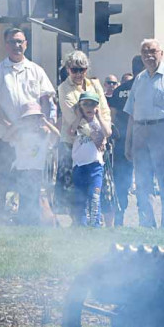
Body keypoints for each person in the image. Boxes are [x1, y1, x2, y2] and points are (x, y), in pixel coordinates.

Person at [0, 28, 55, 219]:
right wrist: (11, 128)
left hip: (31, 140)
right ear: (6, 45)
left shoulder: (37, 71)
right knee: (2, 180)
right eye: (12, 42)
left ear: (26, 44)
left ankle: (27, 220)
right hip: (4, 138)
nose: (17, 45)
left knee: (29, 181)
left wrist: (43, 125)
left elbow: (46, 100)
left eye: (20, 41)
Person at [123, 39, 164, 228]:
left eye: (152, 51)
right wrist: (129, 142)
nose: (149, 55)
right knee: (142, 180)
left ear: (161, 53)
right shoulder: (139, 79)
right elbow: (132, 113)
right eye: (144, 52)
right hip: (140, 131)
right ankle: (147, 224)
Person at [57, 50, 111, 224]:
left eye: (83, 69)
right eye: (75, 69)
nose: (79, 73)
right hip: (73, 144)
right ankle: (78, 223)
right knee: (74, 191)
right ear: (67, 69)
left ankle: (98, 223)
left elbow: (104, 109)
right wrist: (95, 136)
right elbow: (73, 116)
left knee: (100, 189)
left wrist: (104, 135)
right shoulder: (63, 88)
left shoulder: (95, 84)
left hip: (98, 145)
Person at [8, 101, 59, 225]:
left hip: (36, 170)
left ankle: (34, 222)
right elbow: (6, 136)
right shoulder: (20, 135)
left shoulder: (43, 135)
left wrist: (46, 122)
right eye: (29, 118)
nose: (32, 121)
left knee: (34, 196)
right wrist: (18, 125)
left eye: (35, 118)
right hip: (21, 170)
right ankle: (23, 221)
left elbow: (57, 134)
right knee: (24, 197)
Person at [67, 91, 109, 226]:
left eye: (92, 104)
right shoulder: (79, 122)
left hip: (95, 165)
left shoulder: (99, 121)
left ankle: (95, 224)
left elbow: (108, 132)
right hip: (79, 165)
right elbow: (71, 132)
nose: (89, 107)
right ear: (80, 106)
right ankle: (81, 224)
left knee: (94, 196)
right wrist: (79, 116)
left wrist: (99, 116)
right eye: (85, 104)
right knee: (80, 197)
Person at [103, 73, 133, 225]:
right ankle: (119, 216)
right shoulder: (138, 87)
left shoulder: (119, 91)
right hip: (126, 140)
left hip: (121, 141)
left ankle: (119, 216)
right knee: (123, 180)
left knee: (122, 180)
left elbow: (113, 116)